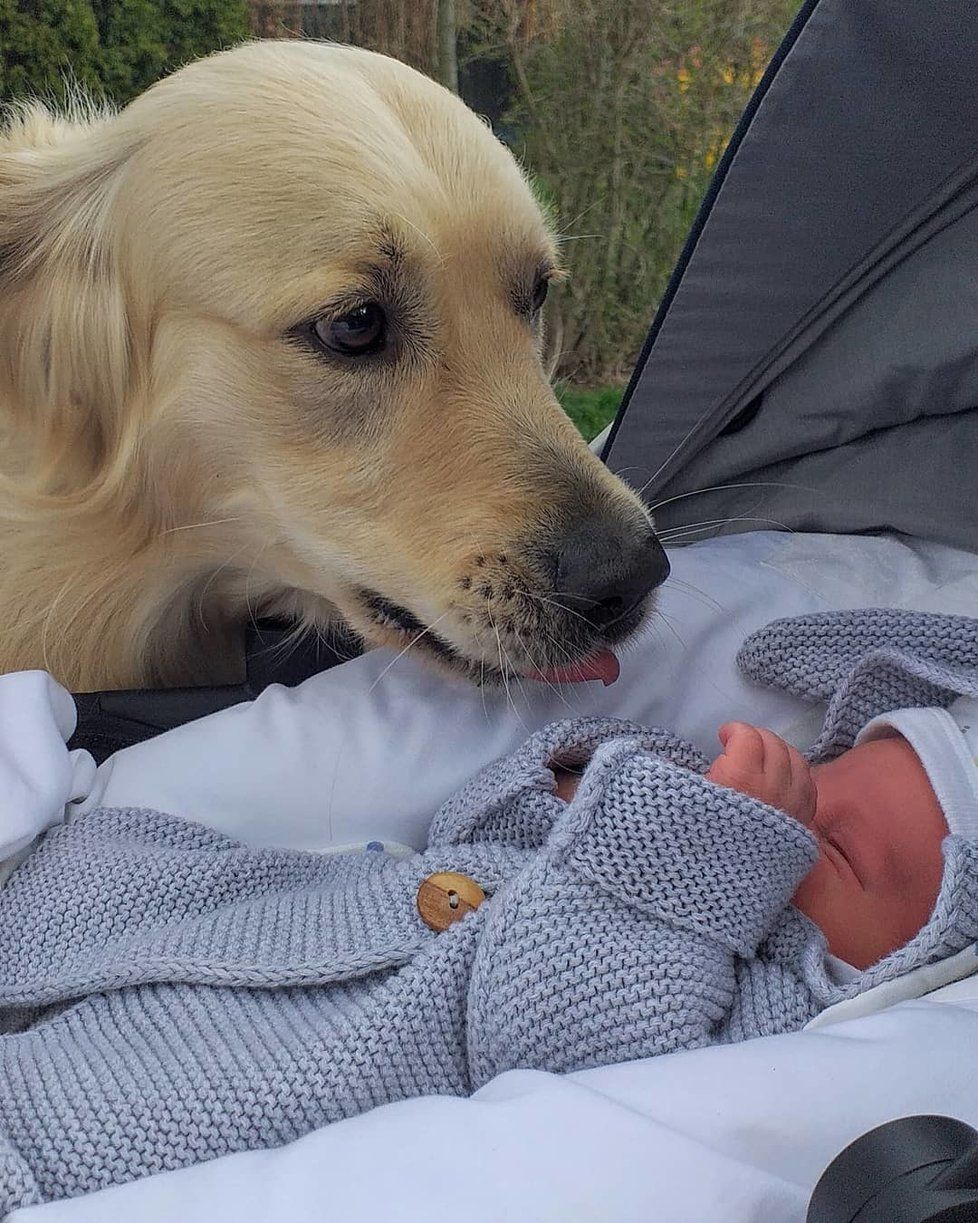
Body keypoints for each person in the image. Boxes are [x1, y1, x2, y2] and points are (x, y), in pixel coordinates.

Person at [1, 608, 978, 1209]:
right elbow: (473, 830)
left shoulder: (766, 1013)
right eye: (816, 775)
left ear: (911, 958)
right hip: (195, 920)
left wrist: (698, 860)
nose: (799, 818)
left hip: (191, 1091)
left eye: (843, 848)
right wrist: (578, 782)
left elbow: (559, 1037)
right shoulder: (691, 826)